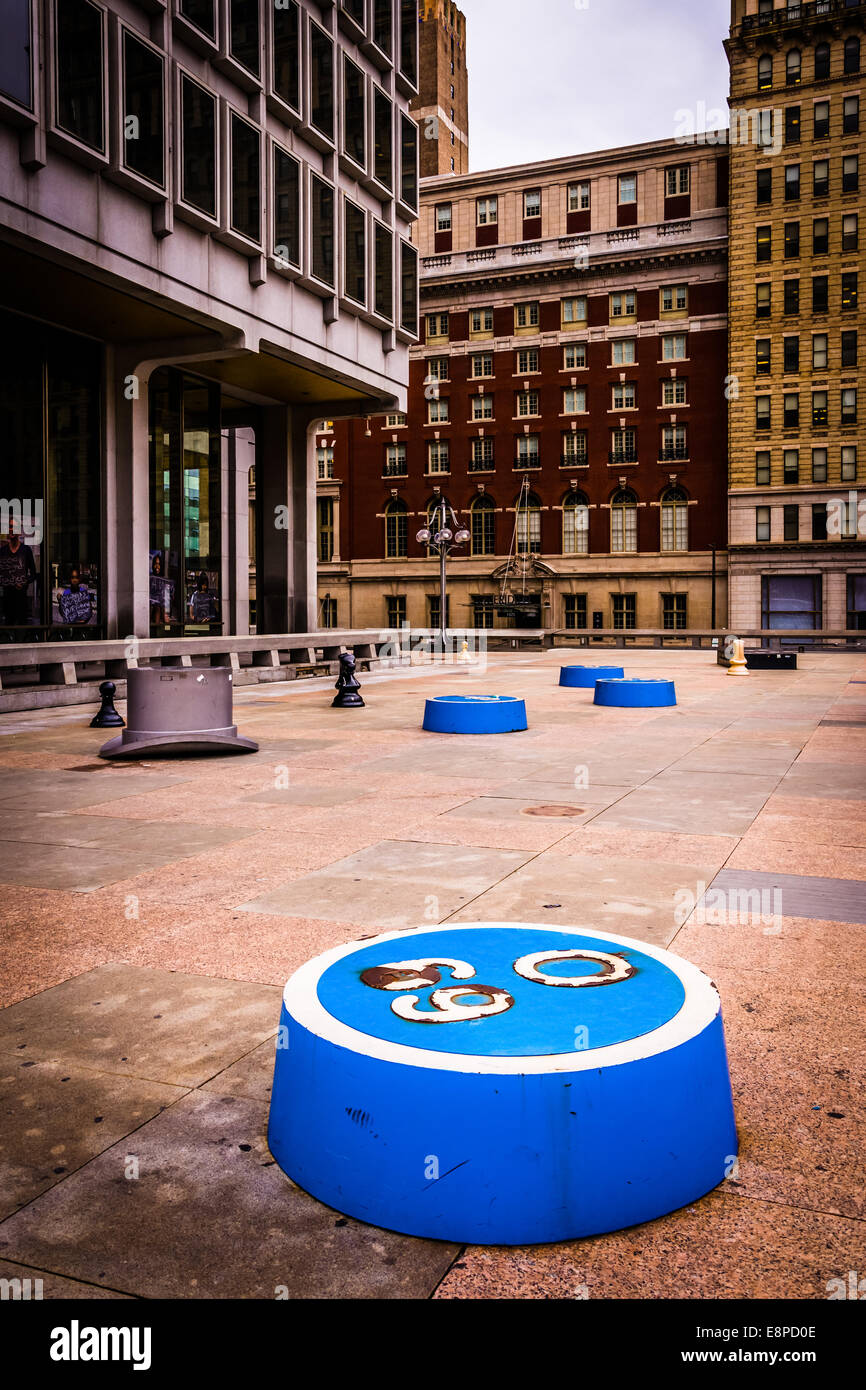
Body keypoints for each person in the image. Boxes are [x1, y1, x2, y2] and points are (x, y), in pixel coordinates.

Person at [0, 517, 38, 628]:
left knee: (21, 629)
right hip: (7, 598)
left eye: (14, 527)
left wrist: (24, 582)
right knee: (8, 626)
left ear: (19, 532)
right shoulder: (2, 551)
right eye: (10, 527)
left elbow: (34, 574)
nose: (12, 529)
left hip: (21, 598)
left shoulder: (26, 550)